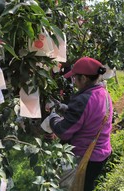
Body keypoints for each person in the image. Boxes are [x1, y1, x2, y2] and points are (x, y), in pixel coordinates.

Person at [48, 57, 113, 191]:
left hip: (87, 156)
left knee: (79, 186)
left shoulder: (83, 99)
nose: (73, 81)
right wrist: (63, 107)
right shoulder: (102, 93)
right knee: (87, 185)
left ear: (83, 78)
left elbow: (64, 132)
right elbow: (87, 115)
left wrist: (52, 118)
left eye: (74, 78)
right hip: (101, 153)